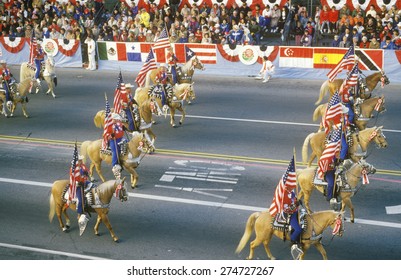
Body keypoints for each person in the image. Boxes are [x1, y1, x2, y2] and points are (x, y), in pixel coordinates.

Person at [283, 188, 302, 255]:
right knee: (298, 229)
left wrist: (298, 201)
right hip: (290, 215)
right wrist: (295, 205)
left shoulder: (292, 192)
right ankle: (293, 240)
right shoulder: (284, 196)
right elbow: (286, 210)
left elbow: (295, 200)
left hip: (297, 212)